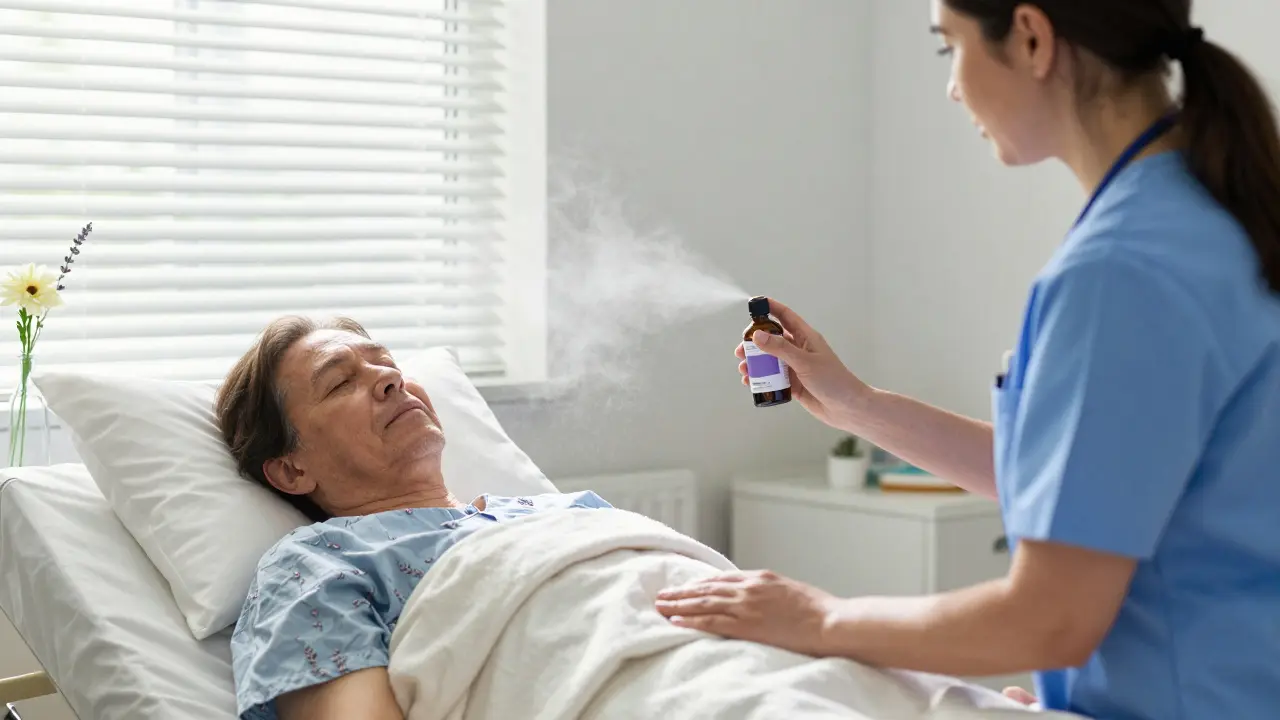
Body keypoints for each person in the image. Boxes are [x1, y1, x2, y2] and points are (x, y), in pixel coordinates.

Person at [655, 2, 1280, 719]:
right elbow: (1082, 482)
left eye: (947, 45)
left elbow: (1051, 619)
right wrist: (855, 403)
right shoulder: (1211, 213)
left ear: (1033, 37)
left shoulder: (1118, 273)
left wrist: (817, 618)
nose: (953, 86)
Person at [214, 316, 613, 720]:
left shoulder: (568, 510)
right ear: (292, 471)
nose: (390, 378)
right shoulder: (311, 569)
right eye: (340, 383)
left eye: (388, 363)